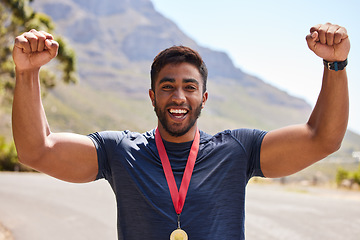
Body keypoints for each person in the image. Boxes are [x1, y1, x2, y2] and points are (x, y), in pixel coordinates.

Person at [12, 23, 350, 239]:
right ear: (152, 96)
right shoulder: (121, 152)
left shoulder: (236, 151)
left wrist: (335, 66)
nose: (178, 97)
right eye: (167, 86)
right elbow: (36, 151)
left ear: (203, 98)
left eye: (189, 87)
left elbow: (323, 138)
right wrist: (27, 73)